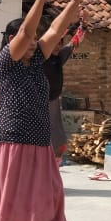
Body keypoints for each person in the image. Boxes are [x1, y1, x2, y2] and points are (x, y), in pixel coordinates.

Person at [0, 0, 87, 221]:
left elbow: (54, 30)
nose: (31, 40)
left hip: (39, 138)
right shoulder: (5, 62)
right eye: (21, 37)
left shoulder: (38, 58)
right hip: (13, 137)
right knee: (14, 197)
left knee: (46, 194)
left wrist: (74, 3)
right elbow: (29, 32)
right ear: (11, 39)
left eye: (30, 38)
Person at [44, 14, 85, 164]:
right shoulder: (39, 57)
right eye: (55, 43)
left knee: (57, 137)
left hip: (53, 101)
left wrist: (82, 25)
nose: (58, 46)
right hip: (37, 102)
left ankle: (54, 166)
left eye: (60, 43)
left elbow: (74, 43)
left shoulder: (59, 57)